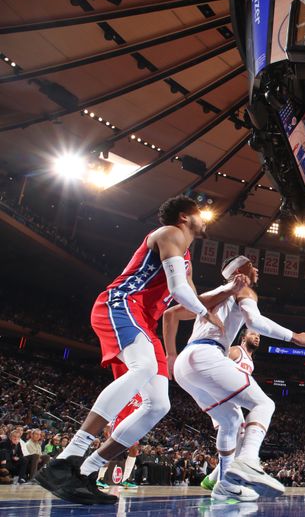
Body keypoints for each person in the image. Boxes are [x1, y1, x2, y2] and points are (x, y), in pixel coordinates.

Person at [37, 195, 226, 505]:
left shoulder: (186, 259)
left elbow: (186, 306)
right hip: (121, 304)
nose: (205, 218)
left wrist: (224, 296)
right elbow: (181, 293)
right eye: (199, 213)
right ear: (184, 216)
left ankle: (86, 469)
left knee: (158, 405)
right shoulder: (170, 233)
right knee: (144, 368)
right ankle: (66, 459)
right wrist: (206, 313)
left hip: (143, 324)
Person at [167, 255, 305, 501]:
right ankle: (249, 460)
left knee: (231, 421)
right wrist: (294, 336)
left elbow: (171, 314)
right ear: (240, 270)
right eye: (252, 265)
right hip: (207, 354)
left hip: (185, 363)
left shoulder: (212, 294)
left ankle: (224, 484)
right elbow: (254, 321)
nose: (258, 269)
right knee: (264, 404)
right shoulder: (245, 289)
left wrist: (170, 355)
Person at [200, 327, 261, 492]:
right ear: (243, 337)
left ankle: (211, 480)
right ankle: (223, 485)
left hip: (233, 402)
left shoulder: (250, 361)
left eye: (259, 336)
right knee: (232, 442)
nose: (257, 337)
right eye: (253, 334)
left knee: (239, 448)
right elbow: (216, 367)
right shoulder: (236, 351)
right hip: (220, 398)